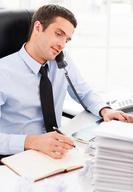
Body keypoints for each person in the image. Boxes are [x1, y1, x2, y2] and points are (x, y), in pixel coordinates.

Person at [0, 4, 130, 159]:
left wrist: (105, 110)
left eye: (67, 39)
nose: (62, 45)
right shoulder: (4, 72)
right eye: (58, 34)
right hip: (17, 155)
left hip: (57, 149)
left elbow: (84, 92)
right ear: (38, 27)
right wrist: (31, 141)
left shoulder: (62, 61)